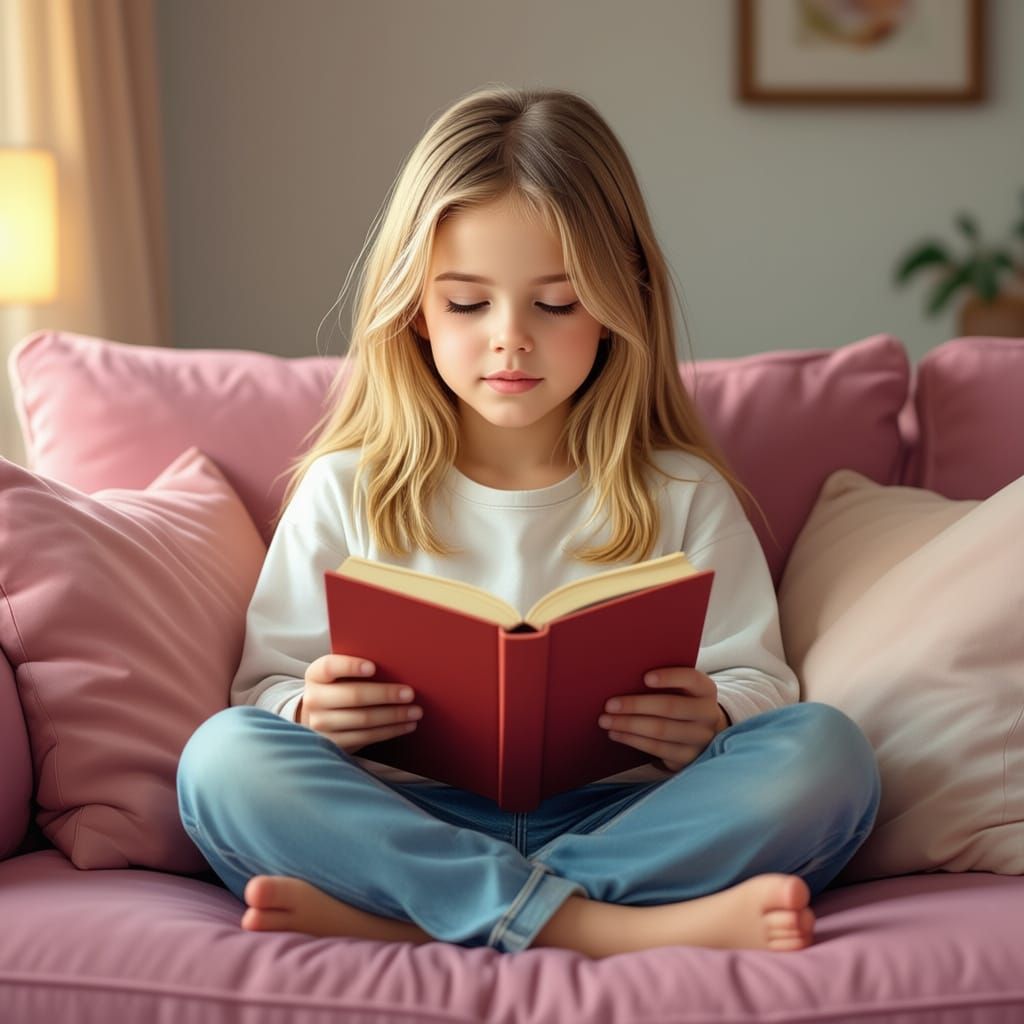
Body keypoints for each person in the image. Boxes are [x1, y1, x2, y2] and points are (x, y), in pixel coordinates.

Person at [176, 84, 880, 958]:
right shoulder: (345, 488)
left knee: (827, 753)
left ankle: (415, 915)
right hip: (407, 813)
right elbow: (263, 691)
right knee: (221, 759)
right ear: (415, 312)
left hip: (628, 814)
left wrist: (714, 718)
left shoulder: (680, 489)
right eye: (467, 304)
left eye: (555, 304)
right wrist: (311, 709)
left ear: (622, 305)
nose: (510, 340)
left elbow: (762, 682)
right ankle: (593, 926)